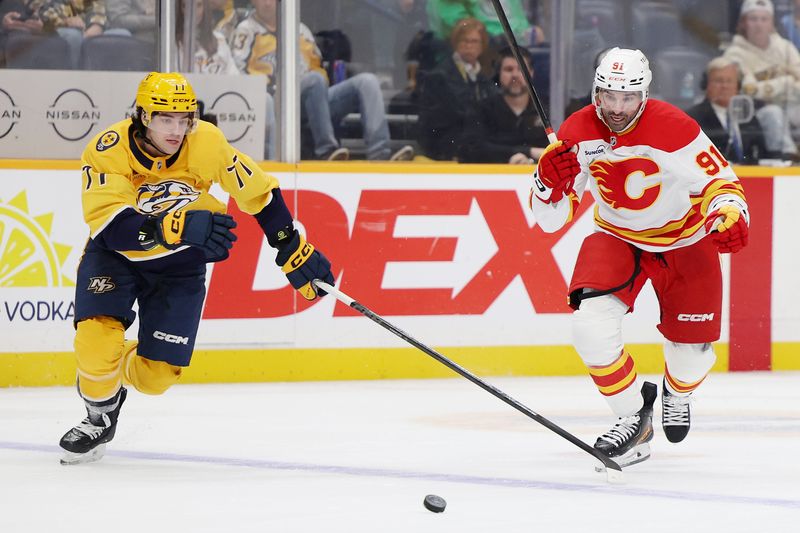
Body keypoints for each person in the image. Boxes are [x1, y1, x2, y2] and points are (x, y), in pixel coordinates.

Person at [58, 72, 335, 465]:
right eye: (165, 119)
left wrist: (289, 243)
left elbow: (258, 191)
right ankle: (99, 414)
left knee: (156, 378)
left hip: (179, 268)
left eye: (184, 118)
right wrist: (175, 226)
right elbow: (113, 227)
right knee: (95, 344)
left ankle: (110, 376)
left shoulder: (206, 141)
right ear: (142, 116)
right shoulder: (108, 149)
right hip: (116, 257)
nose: (177, 130)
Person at [530, 48, 749, 468]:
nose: (615, 108)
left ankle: (676, 392)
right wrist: (546, 182)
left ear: (644, 94)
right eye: (607, 95)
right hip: (618, 236)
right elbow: (548, 219)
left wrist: (730, 214)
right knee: (589, 328)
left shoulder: (676, 128)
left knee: (692, 358)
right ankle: (634, 417)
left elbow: (722, 183)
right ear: (596, 90)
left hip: (684, 241)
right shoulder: (576, 132)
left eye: (626, 97)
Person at [231, 0, 414, 161]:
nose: (268, 3)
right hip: (275, 102)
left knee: (367, 81)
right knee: (313, 80)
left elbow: (317, 66)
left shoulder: (299, 29)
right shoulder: (246, 31)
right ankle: (326, 150)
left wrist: (318, 86)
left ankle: (380, 153)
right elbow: (240, 73)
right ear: (252, 1)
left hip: (313, 98)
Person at [722, 0, 800, 154]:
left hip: (792, 105)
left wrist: (769, 87)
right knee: (774, 113)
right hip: (754, 113)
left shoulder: (785, 48)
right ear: (743, 23)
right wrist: (787, 81)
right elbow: (750, 91)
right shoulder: (734, 54)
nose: (759, 24)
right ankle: (787, 158)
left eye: (764, 19)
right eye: (753, 19)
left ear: (772, 23)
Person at [417, 17, 495, 160]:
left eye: (474, 41)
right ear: (455, 43)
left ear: (482, 45)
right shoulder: (440, 75)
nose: (469, 46)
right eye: (464, 41)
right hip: (448, 151)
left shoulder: (485, 78)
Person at [459, 46, 548, 163]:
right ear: (499, 74)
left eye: (521, 69)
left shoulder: (547, 110)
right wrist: (528, 152)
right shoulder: (482, 109)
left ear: (531, 73)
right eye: (508, 69)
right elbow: (471, 148)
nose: (515, 75)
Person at [686, 56, 772, 164]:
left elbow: (761, 153)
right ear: (706, 85)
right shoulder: (693, 117)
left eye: (729, 81)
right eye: (719, 81)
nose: (725, 86)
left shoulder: (747, 116)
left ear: (738, 86)